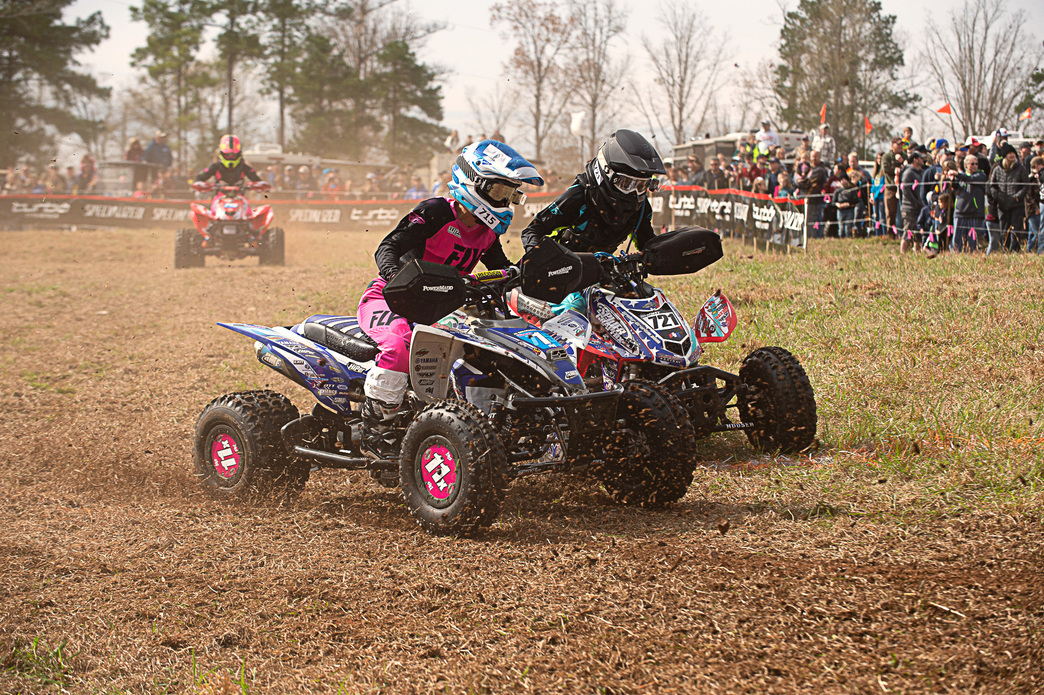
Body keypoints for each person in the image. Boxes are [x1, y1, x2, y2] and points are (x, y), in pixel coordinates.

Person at [357, 140, 543, 454]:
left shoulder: (487, 229)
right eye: (499, 192)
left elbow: (500, 267)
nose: (505, 201)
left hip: (446, 306)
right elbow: (387, 247)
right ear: (473, 182)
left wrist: (523, 275)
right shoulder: (435, 211)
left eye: (511, 194)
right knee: (399, 343)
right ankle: (378, 429)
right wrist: (399, 278)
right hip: (394, 299)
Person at [985, 142, 1027, 254]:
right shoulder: (997, 169)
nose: (1012, 155)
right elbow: (992, 186)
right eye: (1009, 153)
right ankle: (1005, 250)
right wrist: (997, 197)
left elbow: (1025, 186)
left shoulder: (1020, 168)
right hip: (1002, 205)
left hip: (1017, 204)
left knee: (1015, 230)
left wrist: (1018, 197)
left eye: (1013, 153)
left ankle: (1015, 251)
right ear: (1005, 155)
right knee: (1004, 230)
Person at [949, 154, 987, 252]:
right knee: (957, 240)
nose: (975, 166)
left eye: (976, 164)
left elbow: (970, 179)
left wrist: (957, 174)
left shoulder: (980, 175)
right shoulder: (960, 177)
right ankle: (956, 257)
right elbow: (955, 189)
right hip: (960, 212)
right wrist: (952, 181)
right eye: (972, 164)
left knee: (972, 241)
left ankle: (972, 258)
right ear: (966, 165)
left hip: (975, 213)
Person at [193, 134, 262, 186]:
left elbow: (256, 179)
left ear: (238, 154)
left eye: (233, 155)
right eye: (227, 155)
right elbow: (200, 178)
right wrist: (199, 184)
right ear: (222, 154)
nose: (230, 157)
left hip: (239, 198)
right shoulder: (215, 166)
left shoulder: (243, 167)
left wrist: (261, 185)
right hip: (219, 199)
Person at [899, 150, 926, 253]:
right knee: (908, 231)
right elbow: (906, 190)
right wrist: (915, 202)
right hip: (909, 207)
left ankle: (917, 252)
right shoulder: (908, 172)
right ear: (915, 160)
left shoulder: (919, 172)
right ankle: (903, 253)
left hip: (918, 207)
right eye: (920, 158)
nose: (923, 160)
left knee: (917, 232)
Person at [881, 137, 905, 231]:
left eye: (901, 144)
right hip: (891, 188)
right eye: (898, 144)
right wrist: (897, 168)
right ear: (892, 145)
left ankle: (903, 234)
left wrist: (901, 162)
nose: (900, 146)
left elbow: (908, 167)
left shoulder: (904, 156)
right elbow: (886, 169)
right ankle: (890, 234)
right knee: (890, 213)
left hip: (902, 188)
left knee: (903, 212)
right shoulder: (887, 157)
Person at [1026, 156, 1043, 254]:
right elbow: (1028, 196)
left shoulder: (1039, 176)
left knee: (1033, 232)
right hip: (1032, 209)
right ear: (1037, 165)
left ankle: (1031, 250)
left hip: (1038, 208)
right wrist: (1036, 208)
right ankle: (1032, 251)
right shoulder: (1031, 179)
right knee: (1035, 232)